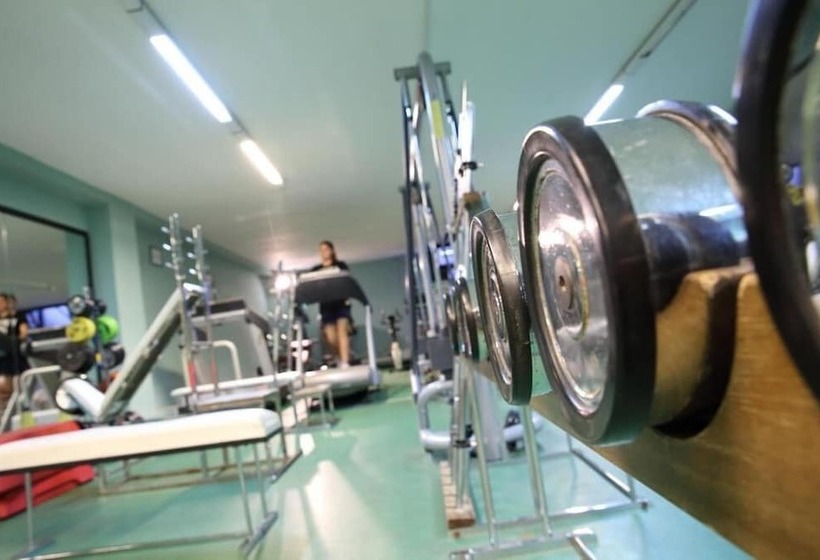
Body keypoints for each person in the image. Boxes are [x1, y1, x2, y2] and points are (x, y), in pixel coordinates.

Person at [311, 241, 352, 368]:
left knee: (342, 332)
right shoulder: (316, 270)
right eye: (321, 250)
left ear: (332, 250)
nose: (324, 252)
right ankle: (340, 357)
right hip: (326, 306)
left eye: (326, 249)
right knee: (331, 337)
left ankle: (345, 362)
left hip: (341, 303)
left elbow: (346, 279)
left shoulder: (340, 265)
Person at [0, 293, 29, 418]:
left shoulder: (17, 316)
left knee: (20, 386)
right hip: (3, 359)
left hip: (17, 357)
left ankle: (23, 410)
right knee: (4, 388)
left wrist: (17, 340)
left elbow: (24, 333)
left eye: (2, 301)